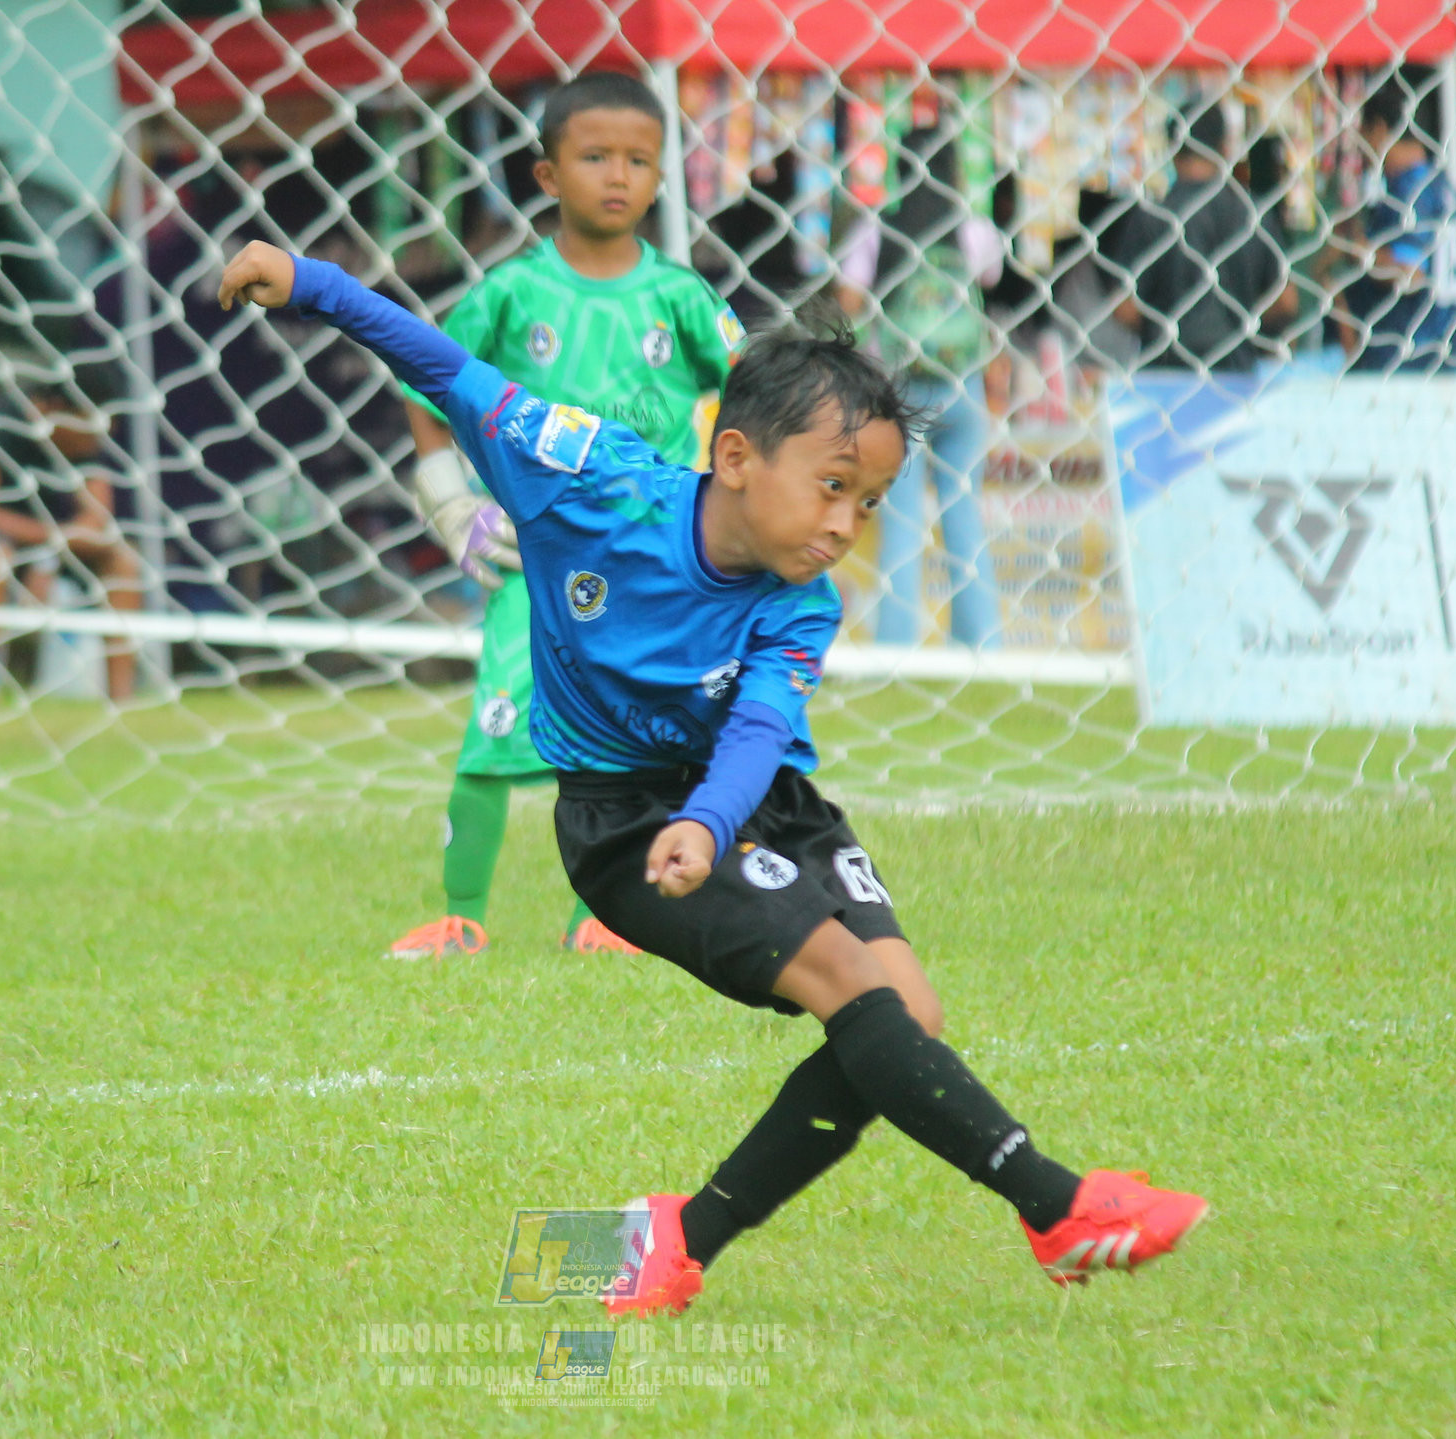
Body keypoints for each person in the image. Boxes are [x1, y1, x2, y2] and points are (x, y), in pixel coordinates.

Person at [216, 238, 1210, 1308]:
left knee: (903, 1015)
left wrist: (713, 816)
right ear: (734, 457)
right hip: (623, 821)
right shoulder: (584, 478)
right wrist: (308, 281)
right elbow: (445, 367)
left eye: (866, 502)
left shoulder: (800, 600)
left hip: (750, 804)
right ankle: (1055, 1204)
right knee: (853, 987)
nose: (843, 524)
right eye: (831, 487)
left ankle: (679, 1237)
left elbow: (756, 732)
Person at [386, 71, 744, 962]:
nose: (617, 176)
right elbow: (421, 378)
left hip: (651, 564)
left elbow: (753, 392)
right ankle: (461, 912)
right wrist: (448, 496)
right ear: (548, 176)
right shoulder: (512, 294)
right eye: (594, 157)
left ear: (664, 177)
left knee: (648, 739)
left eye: (639, 160)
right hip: (535, 557)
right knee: (493, 729)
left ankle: (621, 911)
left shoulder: (682, 298)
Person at [837, 126, 1002, 649]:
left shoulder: (877, 228)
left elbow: (847, 299)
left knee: (903, 518)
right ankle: (982, 642)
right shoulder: (972, 228)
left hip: (898, 386)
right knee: (963, 508)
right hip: (962, 382)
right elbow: (992, 280)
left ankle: (897, 641)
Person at [0, 381, 143, 702]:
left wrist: (48, 557)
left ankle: (122, 699)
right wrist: (52, 543)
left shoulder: (86, 445)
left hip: (52, 548)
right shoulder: (1, 421)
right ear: (55, 410)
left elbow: (98, 523)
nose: (95, 441)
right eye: (89, 431)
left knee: (123, 560)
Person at [1116, 103, 1290, 373]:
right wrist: (1242, 323)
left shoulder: (1154, 218)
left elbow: (1125, 309)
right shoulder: (1253, 215)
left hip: (1167, 373)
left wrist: (1159, 326)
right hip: (1236, 372)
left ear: (1173, 151)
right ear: (1224, 147)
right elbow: (1286, 302)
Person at [1339, 79, 1456, 373]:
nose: (1361, 146)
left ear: (1381, 130)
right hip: (1445, 349)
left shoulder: (1410, 189)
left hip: (1409, 359)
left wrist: (1358, 249)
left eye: (1363, 134)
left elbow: (1409, 274)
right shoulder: (1439, 181)